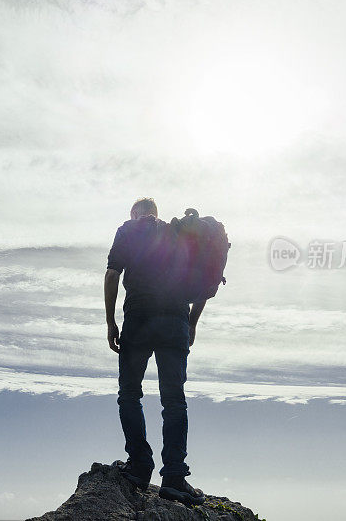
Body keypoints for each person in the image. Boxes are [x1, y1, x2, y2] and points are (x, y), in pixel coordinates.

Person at [104, 197, 207, 506]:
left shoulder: (129, 230)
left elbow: (112, 275)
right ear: (157, 214)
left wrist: (111, 322)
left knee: (130, 394)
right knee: (174, 400)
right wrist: (191, 323)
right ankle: (174, 479)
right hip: (175, 321)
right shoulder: (179, 233)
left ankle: (139, 466)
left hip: (138, 319)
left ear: (135, 214)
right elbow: (205, 283)